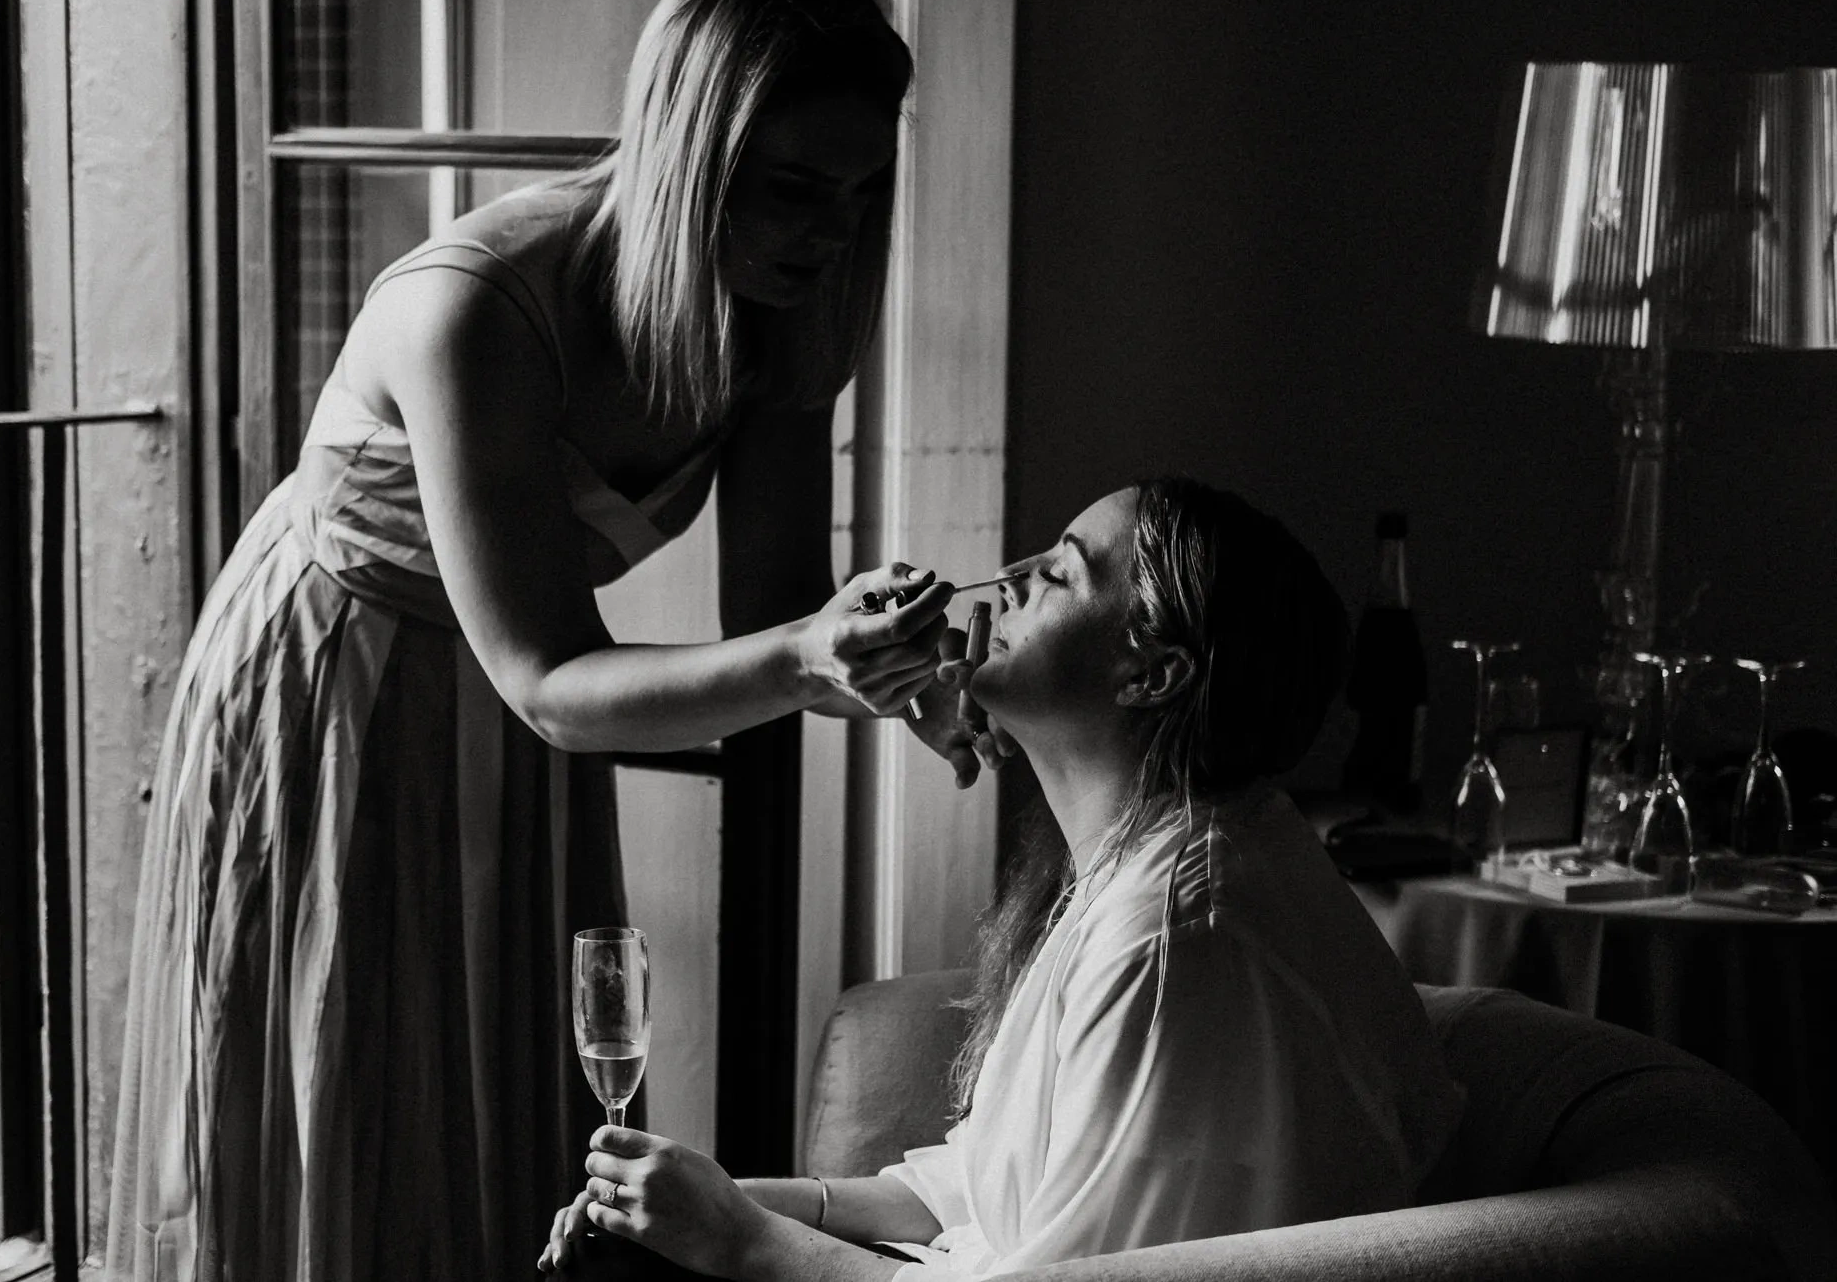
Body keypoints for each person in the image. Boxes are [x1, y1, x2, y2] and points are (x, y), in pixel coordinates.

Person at [105, 0, 990, 1282]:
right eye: (797, 189)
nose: (832, 232)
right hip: (339, 683)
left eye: (863, 194)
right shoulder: (477, 306)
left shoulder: (783, 316)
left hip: (526, 709)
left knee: (502, 1114)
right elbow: (546, 674)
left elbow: (778, 614)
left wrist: (895, 667)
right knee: (348, 1097)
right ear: (693, 157)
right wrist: (811, 659)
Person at [540, 478, 1466, 1279]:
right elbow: (984, 1185)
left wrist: (742, 1241)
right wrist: (715, 1200)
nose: (1012, 572)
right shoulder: (1153, 854)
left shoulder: (1176, 930)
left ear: (1154, 673)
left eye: (1062, 570)